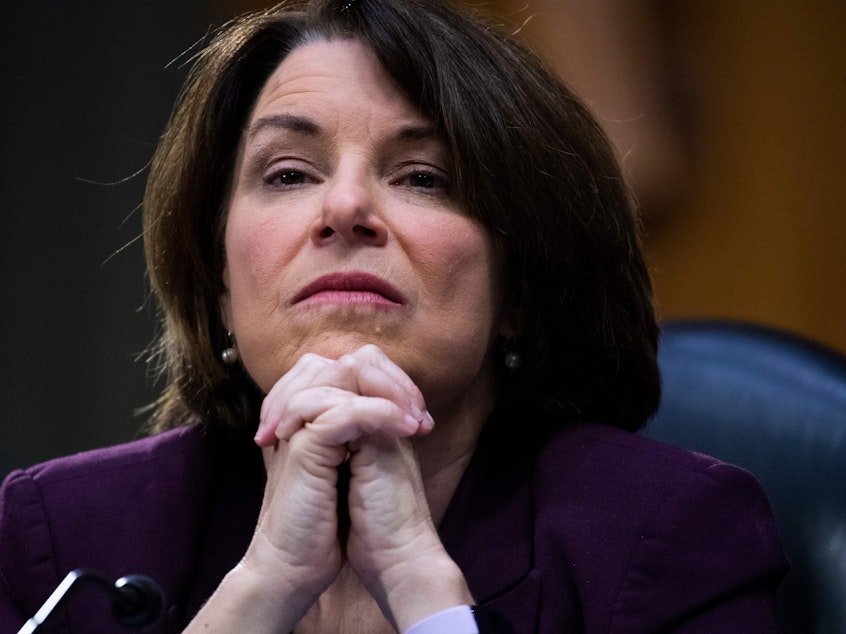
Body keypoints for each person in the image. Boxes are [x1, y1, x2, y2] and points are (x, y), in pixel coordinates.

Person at [0, 0, 788, 632]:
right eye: (288, 174)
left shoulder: (667, 538)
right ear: (218, 287)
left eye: (423, 178)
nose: (345, 207)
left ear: (518, 290)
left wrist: (427, 595)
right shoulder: (67, 538)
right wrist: (261, 590)